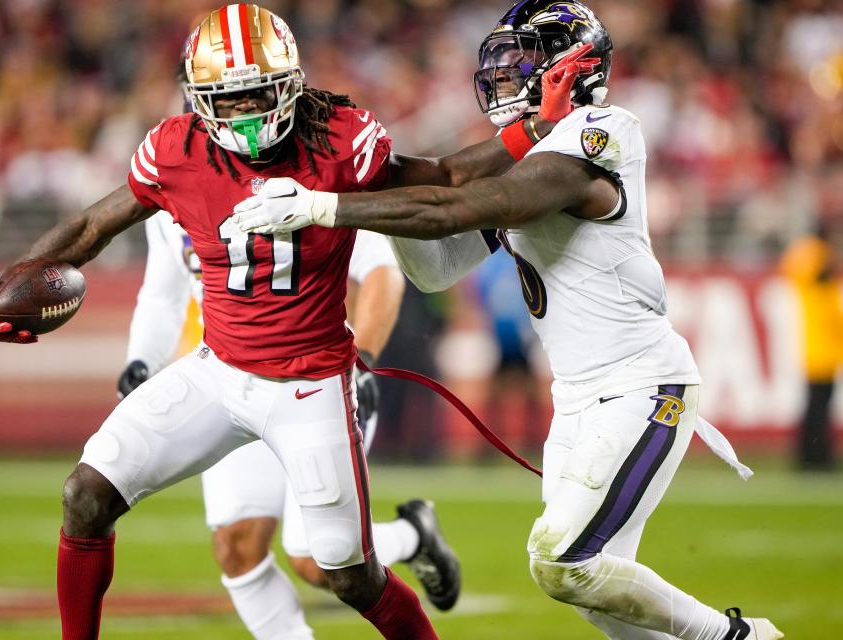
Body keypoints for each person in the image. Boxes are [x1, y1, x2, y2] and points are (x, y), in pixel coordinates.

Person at [0, 4, 581, 639]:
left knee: (346, 573)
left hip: (310, 386)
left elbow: (443, 177)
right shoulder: (177, 150)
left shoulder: (340, 138)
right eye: (229, 101)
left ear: (292, 86)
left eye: (261, 93)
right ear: (199, 100)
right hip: (217, 371)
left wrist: (530, 131)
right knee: (85, 496)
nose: (249, 114)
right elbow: (94, 225)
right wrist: (14, 275)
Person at [230, 2, 784, 639]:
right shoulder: (535, 151)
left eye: (522, 60)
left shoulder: (602, 129)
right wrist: (364, 179)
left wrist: (330, 206)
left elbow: (467, 204)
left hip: (642, 384)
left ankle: (740, 637)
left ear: (571, 67)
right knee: (593, 587)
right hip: (577, 397)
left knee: (562, 561)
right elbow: (435, 265)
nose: (503, 75)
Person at [118, 208, 462, 637]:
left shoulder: (300, 167)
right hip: (228, 380)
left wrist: (365, 359)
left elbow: (381, 269)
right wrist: (141, 360)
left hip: (315, 381)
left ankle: (411, 535)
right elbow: (163, 292)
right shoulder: (170, 172)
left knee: (321, 561)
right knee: (237, 545)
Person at [779, 227, 843, 471]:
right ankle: (813, 456)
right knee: (817, 408)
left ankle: (814, 455)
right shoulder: (816, 280)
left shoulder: (820, 287)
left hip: (823, 353)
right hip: (820, 354)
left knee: (818, 408)